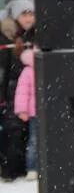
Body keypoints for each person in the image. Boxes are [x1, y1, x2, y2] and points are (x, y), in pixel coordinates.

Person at [0, 0, 35, 181]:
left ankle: (22, 166)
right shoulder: (10, 37)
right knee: (14, 131)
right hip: (14, 92)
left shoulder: (33, 35)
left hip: (29, 91)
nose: (29, 18)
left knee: (29, 133)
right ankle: (10, 169)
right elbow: (5, 69)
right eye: (24, 14)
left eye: (31, 13)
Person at [13, 45, 36, 180]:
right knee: (33, 141)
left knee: (38, 140)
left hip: (42, 112)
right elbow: (22, 92)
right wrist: (22, 110)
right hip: (34, 113)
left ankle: (38, 166)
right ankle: (32, 167)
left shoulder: (45, 68)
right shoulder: (28, 71)